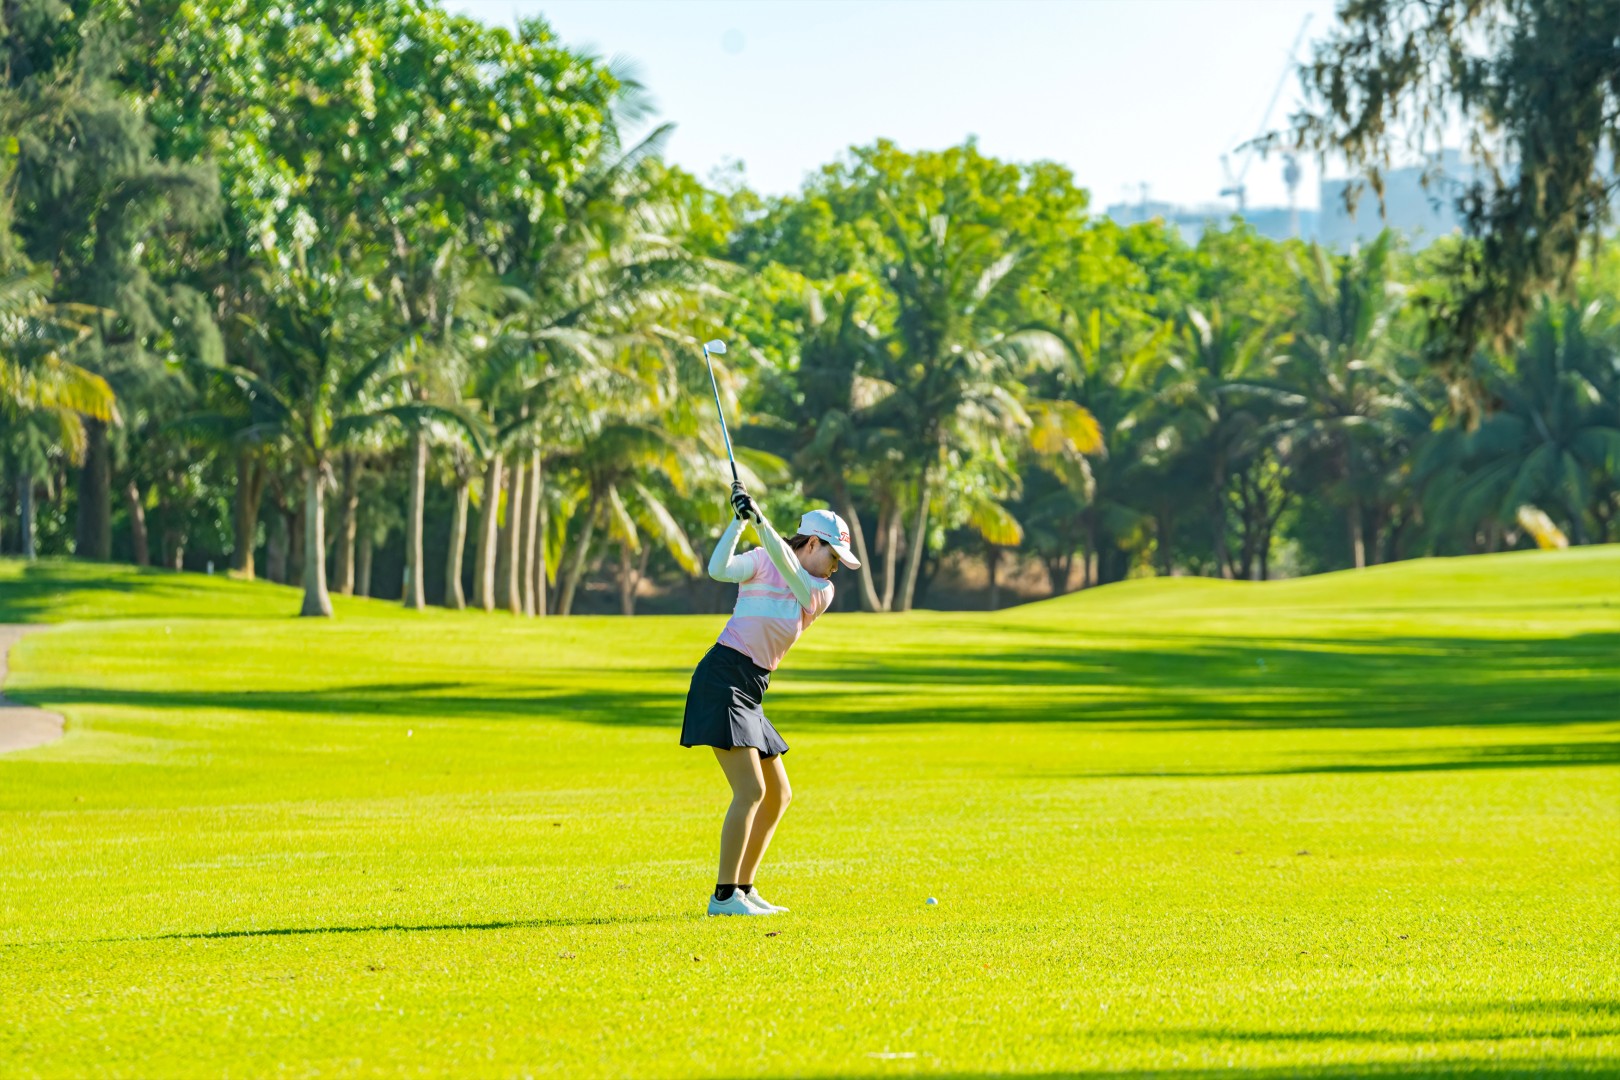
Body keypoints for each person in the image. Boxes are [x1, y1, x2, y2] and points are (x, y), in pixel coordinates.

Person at [680, 482, 860, 916]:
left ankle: (744, 887)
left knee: (778, 793)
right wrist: (740, 523)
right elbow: (718, 568)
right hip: (722, 677)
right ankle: (724, 897)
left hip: (752, 687)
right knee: (752, 789)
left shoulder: (819, 590)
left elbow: (789, 567)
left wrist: (760, 519)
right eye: (832, 555)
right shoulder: (763, 559)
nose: (835, 567)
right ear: (812, 543)